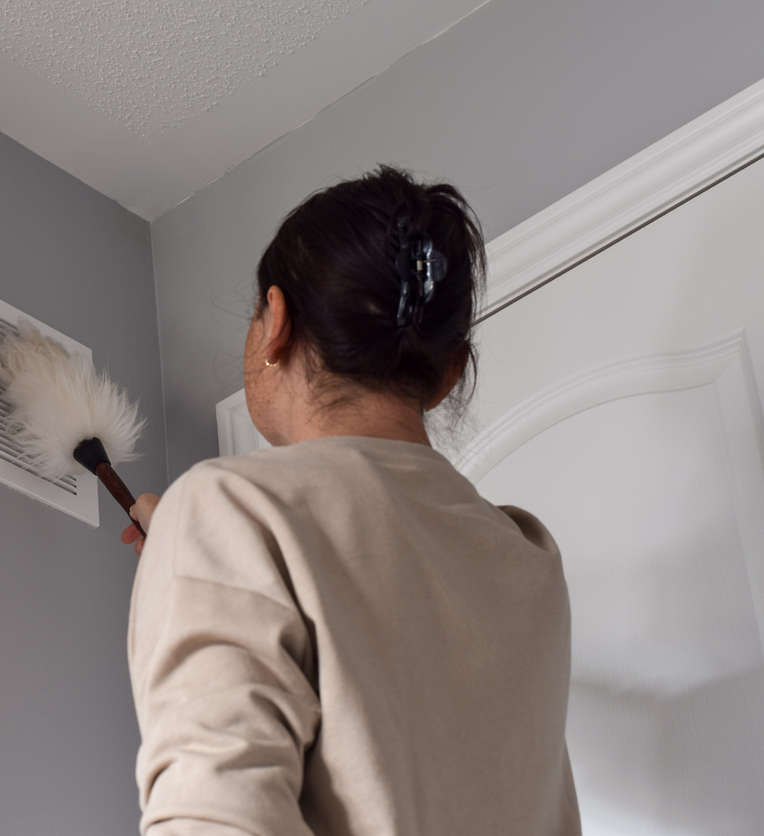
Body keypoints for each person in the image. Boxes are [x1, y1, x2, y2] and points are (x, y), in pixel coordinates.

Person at [120, 167, 580, 835]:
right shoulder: (522, 554)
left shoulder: (231, 512)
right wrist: (204, 548)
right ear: (450, 373)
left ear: (275, 322)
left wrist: (205, 537)